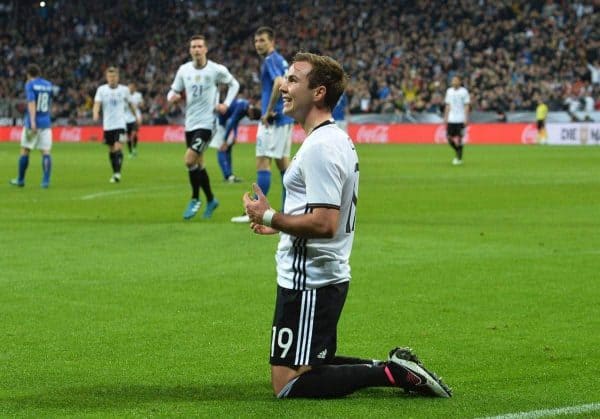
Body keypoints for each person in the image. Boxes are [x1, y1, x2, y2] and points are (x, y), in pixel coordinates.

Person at [242, 52, 452, 399]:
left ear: (319, 92)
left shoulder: (321, 147)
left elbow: (325, 223)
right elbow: (318, 212)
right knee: (303, 363)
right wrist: (282, 226)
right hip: (314, 273)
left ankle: (390, 373)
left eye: (294, 80)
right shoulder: (327, 139)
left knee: (287, 383)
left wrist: (268, 216)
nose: (284, 86)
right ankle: (393, 368)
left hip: (310, 278)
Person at [168, 34, 239, 220]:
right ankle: (211, 200)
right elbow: (173, 91)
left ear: (206, 49)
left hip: (208, 123)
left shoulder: (216, 70)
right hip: (190, 123)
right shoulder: (183, 70)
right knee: (199, 164)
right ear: (190, 50)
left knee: (189, 160)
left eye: (200, 46)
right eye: (193, 47)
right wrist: (172, 98)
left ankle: (195, 199)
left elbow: (234, 84)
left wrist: (226, 104)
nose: (197, 49)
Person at [231, 26, 294, 223]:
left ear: (272, 42)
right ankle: (287, 210)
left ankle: (255, 213)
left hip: (273, 121)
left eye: (263, 41)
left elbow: (278, 83)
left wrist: (266, 112)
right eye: (256, 41)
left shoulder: (269, 60)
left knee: (262, 161)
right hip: (285, 118)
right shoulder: (281, 60)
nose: (258, 44)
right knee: (284, 166)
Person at [10, 64, 54, 188]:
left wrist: (33, 121)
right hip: (46, 122)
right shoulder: (48, 85)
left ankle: (20, 180)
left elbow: (31, 102)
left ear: (28, 75)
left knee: (25, 150)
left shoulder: (30, 84)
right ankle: (45, 181)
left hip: (33, 122)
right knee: (46, 152)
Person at [93, 67, 140, 183]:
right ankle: (114, 172)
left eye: (114, 76)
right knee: (111, 150)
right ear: (106, 78)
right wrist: (95, 114)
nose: (112, 79)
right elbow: (97, 103)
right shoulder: (101, 90)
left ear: (118, 77)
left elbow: (131, 104)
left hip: (120, 124)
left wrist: (136, 117)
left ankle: (118, 173)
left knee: (118, 147)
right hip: (108, 125)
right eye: (110, 77)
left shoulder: (124, 90)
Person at [209, 91, 261, 183]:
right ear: (252, 113)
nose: (249, 119)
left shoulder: (245, 107)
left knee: (228, 148)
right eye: (251, 118)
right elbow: (232, 122)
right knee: (222, 148)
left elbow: (235, 121)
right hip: (220, 123)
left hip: (225, 123)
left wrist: (235, 135)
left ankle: (230, 176)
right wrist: (225, 140)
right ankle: (227, 176)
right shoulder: (242, 107)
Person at [443, 75, 470, 165]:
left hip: (460, 118)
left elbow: (466, 106)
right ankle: (458, 150)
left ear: (460, 82)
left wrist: (466, 118)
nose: (453, 82)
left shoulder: (464, 92)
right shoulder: (449, 91)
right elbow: (447, 105)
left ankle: (458, 158)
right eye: (452, 80)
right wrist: (445, 118)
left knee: (459, 138)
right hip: (451, 119)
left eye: (455, 80)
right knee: (449, 138)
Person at [124, 82, 144, 158]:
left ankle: (134, 148)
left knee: (134, 134)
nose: (130, 89)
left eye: (132, 87)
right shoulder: (124, 96)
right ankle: (130, 152)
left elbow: (142, 104)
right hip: (125, 119)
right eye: (129, 87)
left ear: (134, 88)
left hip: (135, 117)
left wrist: (137, 105)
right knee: (128, 137)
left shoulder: (138, 95)